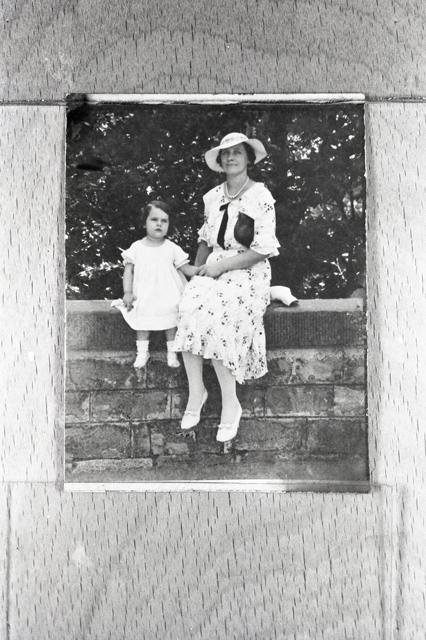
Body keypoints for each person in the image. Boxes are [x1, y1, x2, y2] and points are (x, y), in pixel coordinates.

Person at [174, 132, 280, 442]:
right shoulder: (212, 197)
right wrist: (197, 276)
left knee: (221, 312)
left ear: (248, 159)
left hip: (248, 270)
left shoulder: (261, 195)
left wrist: (221, 267)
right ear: (220, 161)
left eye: (237, 153)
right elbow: (205, 241)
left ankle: (231, 404)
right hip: (214, 266)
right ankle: (197, 392)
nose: (231, 157)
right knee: (189, 305)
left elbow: (262, 249)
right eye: (226, 153)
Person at [112, 200, 200, 368]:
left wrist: (202, 271)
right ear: (144, 223)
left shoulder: (171, 247)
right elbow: (128, 271)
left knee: (172, 316)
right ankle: (142, 353)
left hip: (168, 293)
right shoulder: (137, 247)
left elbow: (186, 268)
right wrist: (128, 292)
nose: (159, 224)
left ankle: (172, 353)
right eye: (154, 219)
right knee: (141, 316)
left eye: (164, 221)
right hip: (145, 293)